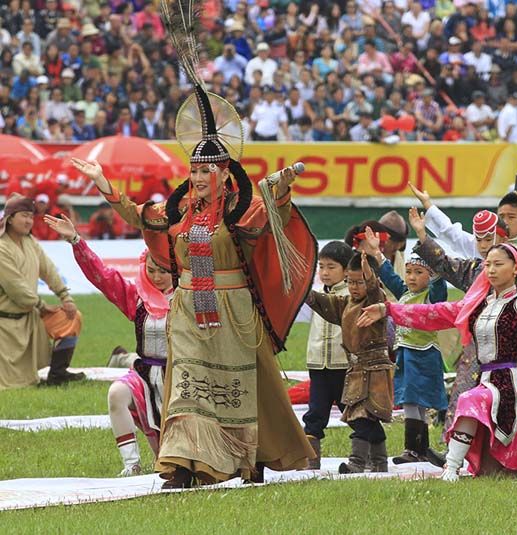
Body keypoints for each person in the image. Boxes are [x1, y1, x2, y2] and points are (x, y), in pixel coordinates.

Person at [70, 10, 317, 487]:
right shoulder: (180, 211)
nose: (199, 177)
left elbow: (270, 217)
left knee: (240, 386)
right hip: (187, 309)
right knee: (186, 387)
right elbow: (141, 216)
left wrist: (280, 190)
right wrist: (105, 185)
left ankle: (248, 458)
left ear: (224, 173)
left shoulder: (240, 209)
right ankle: (183, 464)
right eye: (194, 170)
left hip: (234, 309)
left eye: (207, 171)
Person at [357, 232, 517, 481]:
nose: (491, 270)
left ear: (515, 269)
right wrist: (388, 309)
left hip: (509, 385)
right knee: (501, 471)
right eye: (488, 264)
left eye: (498, 264)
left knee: (469, 399)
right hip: (485, 380)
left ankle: (451, 468)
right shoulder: (477, 305)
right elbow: (433, 313)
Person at [44, 213, 172, 476]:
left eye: (163, 271)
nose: (157, 277)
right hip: (145, 373)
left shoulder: (188, 298)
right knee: (117, 393)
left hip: (179, 377)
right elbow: (102, 277)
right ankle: (131, 465)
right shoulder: (137, 298)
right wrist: (77, 241)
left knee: (169, 464)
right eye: (151, 270)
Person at [361, 228, 448, 465]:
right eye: (408, 271)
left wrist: (431, 257)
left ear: (430, 275)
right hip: (406, 354)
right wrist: (377, 252)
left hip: (425, 355)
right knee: (411, 400)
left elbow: (440, 286)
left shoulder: (431, 296)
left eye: (419, 272)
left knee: (415, 400)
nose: (411, 277)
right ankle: (420, 450)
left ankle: (413, 449)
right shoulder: (405, 294)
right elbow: (390, 277)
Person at [305, 252, 393, 474]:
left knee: (363, 415)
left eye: (360, 282)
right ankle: (379, 461)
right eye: (351, 282)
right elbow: (323, 302)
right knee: (363, 416)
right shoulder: (346, 303)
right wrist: (302, 289)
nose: (354, 287)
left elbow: (374, 290)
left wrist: (370, 277)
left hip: (373, 369)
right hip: (355, 369)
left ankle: (357, 463)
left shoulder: (375, 301)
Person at [0, 195, 84, 390]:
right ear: (10, 219)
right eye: (24, 215)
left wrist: (65, 297)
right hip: (6, 323)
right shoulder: (1, 248)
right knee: (14, 383)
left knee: (71, 317)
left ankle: (57, 374)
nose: (29, 221)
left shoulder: (30, 242)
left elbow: (49, 270)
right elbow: (16, 288)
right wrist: (42, 306)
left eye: (31, 216)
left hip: (31, 316)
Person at [302, 241, 354, 470]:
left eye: (331, 267)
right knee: (315, 413)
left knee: (353, 412)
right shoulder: (314, 295)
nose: (324, 272)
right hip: (318, 364)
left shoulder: (352, 295)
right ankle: (310, 460)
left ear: (346, 269)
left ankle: (367, 457)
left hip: (345, 365)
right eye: (321, 267)